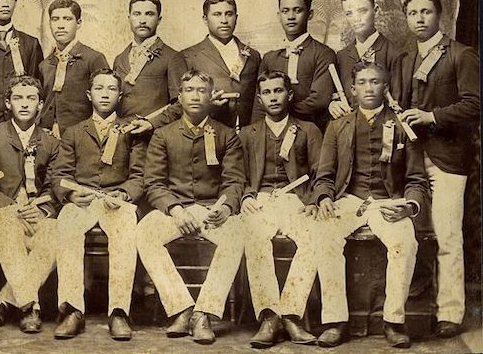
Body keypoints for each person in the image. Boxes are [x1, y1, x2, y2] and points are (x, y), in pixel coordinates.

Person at [311, 61, 428, 349]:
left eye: (375, 82)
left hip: (388, 201)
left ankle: (393, 321)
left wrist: (408, 207)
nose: (369, 87)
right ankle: (336, 321)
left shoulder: (402, 127)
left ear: (385, 87)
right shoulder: (337, 126)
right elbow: (323, 176)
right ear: (352, 89)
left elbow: (416, 179)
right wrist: (325, 197)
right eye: (362, 82)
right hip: (349, 200)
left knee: (405, 242)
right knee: (325, 238)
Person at [136, 69, 245, 345]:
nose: (195, 96)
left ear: (211, 97)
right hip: (176, 209)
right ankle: (181, 307)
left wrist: (226, 207)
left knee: (236, 235)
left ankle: (204, 313)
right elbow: (154, 183)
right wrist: (175, 209)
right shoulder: (163, 135)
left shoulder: (226, 135)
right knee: (145, 233)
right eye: (189, 90)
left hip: (211, 208)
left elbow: (234, 181)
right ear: (180, 97)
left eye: (201, 90)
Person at [399, 0, 480, 338]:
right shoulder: (404, 58)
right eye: (413, 13)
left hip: (447, 159)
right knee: (412, 235)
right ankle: (414, 310)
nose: (419, 18)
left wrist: (431, 115)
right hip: (411, 160)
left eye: (426, 12)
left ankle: (450, 313)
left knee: (447, 236)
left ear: (440, 16)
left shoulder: (461, 55)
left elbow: (475, 105)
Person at [51, 68, 145, 341]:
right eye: (100, 89)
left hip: (115, 199)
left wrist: (125, 195)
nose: (105, 94)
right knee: (66, 223)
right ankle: (73, 310)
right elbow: (60, 173)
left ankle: (118, 312)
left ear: (120, 96)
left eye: (112, 89)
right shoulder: (74, 132)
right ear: (89, 94)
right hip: (83, 198)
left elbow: (140, 176)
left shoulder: (131, 131)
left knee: (126, 227)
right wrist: (69, 196)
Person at [0, 75, 60, 334]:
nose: (24, 104)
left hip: (36, 213)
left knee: (56, 234)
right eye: (17, 98)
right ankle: (30, 306)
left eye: (31, 98)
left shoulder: (51, 142)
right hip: (4, 212)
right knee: (7, 227)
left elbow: (55, 185)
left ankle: (2, 302)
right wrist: (11, 207)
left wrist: (41, 209)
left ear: (41, 105)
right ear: (7, 103)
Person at [239, 70, 322, 348]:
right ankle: (269, 316)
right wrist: (246, 197)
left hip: (294, 201)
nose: (272, 97)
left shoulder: (308, 130)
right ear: (260, 99)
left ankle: (291, 314)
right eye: (267, 92)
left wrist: (313, 202)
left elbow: (321, 174)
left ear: (289, 95)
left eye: (278, 91)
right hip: (260, 200)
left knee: (313, 237)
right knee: (254, 237)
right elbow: (237, 176)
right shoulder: (248, 134)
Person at [139, 0, 260, 133]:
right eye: (217, 14)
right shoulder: (186, 57)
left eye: (229, 14)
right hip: (204, 136)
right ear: (205, 19)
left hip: (247, 136)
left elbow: (260, 103)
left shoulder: (253, 55)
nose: (224, 20)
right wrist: (151, 123)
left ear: (236, 18)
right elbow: (179, 105)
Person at [258, 0, 336, 131]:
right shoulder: (270, 57)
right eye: (285, 11)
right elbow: (259, 104)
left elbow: (319, 101)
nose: (291, 16)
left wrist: (278, 111)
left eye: (298, 10)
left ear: (309, 14)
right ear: (279, 15)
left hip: (312, 130)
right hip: (274, 130)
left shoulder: (323, 53)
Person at [329, 0, 404, 118]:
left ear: (376, 11)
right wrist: (332, 104)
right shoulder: (341, 56)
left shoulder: (395, 54)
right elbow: (336, 93)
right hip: (348, 129)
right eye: (349, 13)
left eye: (362, 11)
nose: (356, 19)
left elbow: (398, 102)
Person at [38, 0, 109, 135]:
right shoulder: (45, 64)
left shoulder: (94, 59)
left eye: (67, 19)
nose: (60, 25)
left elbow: (105, 103)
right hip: (47, 138)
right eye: (55, 19)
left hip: (82, 137)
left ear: (78, 23)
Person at [113, 0, 186, 123]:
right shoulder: (119, 59)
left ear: (159, 19)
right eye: (137, 14)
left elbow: (181, 103)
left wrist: (151, 124)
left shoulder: (173, 57)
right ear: (129, 18)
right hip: (121, 135)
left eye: (149, 14)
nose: (142, 20)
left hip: (154, 137)